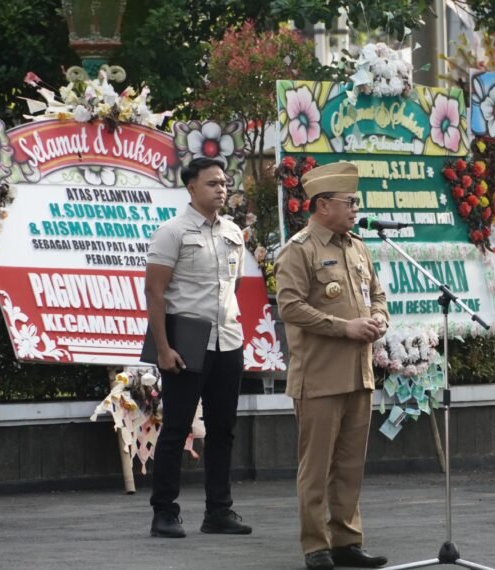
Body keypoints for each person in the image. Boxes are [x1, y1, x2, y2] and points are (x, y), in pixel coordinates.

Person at [274, 162, 390, 570]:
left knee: (350, 465)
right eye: (349, 202)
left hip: (359, 374)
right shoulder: (299, 249)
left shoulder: (357, 246)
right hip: (320, 378)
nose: (355, 208)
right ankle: (315, 546)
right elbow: (290, 307)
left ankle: (346, 540)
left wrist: (378, 319)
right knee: (317, 468)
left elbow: (377, 294)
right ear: (323, 205)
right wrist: (346, 328)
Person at [145, 156, 251, 538]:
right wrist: (163, 348)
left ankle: (218, 511)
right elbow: (155, 293)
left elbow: (232, 287)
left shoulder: (234, 232)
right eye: (212, 183)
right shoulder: (171, 232)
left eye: (223, 183)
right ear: (192, 188)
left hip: (228, 342)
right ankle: (164, 512)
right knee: (175, 429)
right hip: (186, 344)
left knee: (223, 430)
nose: (221, 189)